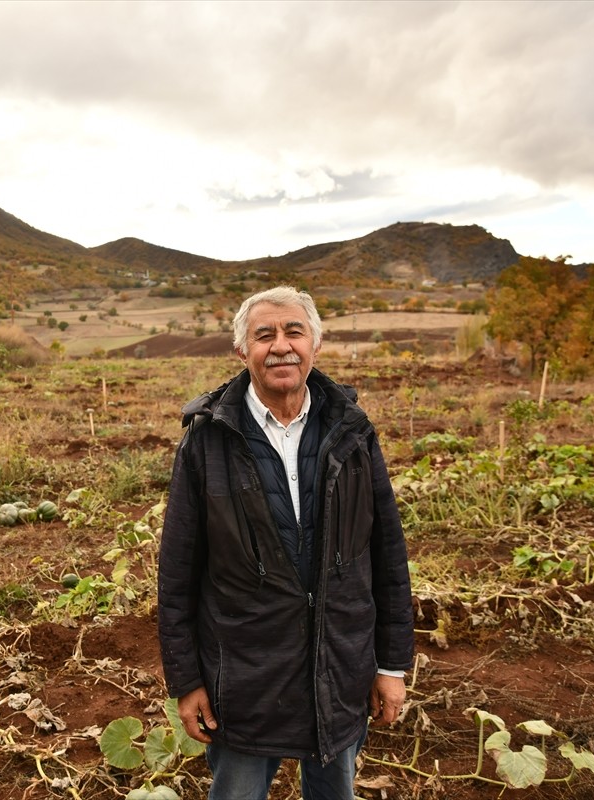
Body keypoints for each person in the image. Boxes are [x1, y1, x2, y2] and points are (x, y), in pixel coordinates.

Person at [157, 286, 415, 799]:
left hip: (339, 665)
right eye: (264, 335)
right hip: (244, 677)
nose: (281, 346)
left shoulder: (353, 431)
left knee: (334, 791)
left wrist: (390, 665)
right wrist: (186, 682)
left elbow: (387, 555)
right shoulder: (208, 440)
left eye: (294, 331)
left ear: (315, 345)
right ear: (242, 351)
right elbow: (177, 574)